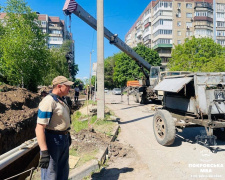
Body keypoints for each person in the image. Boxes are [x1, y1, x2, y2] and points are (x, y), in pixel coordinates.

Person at [35, 76, 74, 180]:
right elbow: (39, 128)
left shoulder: (61, 100)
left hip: (63, 139)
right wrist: (44, 151)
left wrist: (66, 134)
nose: (69, 88)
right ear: (59, 86)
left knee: (63, 172)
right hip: (53, 140)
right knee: (50, 174)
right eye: (67, 86)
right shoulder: (48, 101)